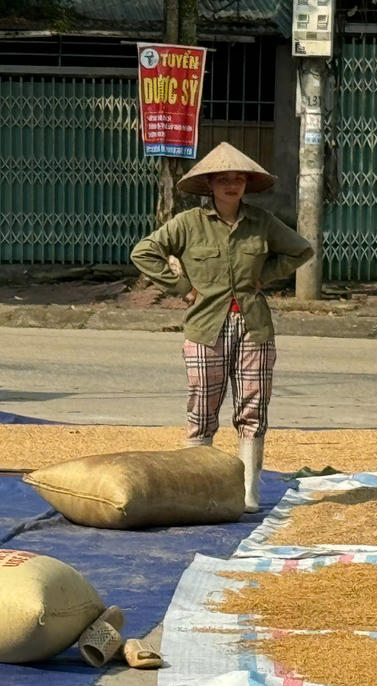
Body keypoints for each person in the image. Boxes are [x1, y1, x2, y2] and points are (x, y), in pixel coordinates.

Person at [131, 142, 314, 511]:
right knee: (202, 409)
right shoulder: (188, 224)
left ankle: (247, 492)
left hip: (254, 327)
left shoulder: (262, 222)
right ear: (210, 185)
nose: (232, 185)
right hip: (205, 327)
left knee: (253, 409)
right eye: (224, 179)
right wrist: (182, 288)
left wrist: (265, 276)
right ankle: (200, 490)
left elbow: (301, 250)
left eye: (239, 179)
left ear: (246, 184)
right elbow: (144, 252)